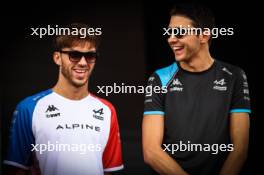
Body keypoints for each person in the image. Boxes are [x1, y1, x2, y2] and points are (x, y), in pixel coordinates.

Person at [142, 3, 251, 175]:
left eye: (178, 32)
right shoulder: (159, 78)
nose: (170, 38)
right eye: (169, 32)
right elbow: (151, 152)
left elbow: (240, 150)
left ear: (204, 35)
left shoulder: (234, 76)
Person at [4, 23, 124, 175]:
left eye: (90, 56)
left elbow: (109, 171)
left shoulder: (107, 110)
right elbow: (16, 170)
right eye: (74, 55)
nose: (83, 62)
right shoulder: (29, 108)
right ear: (57, 58)